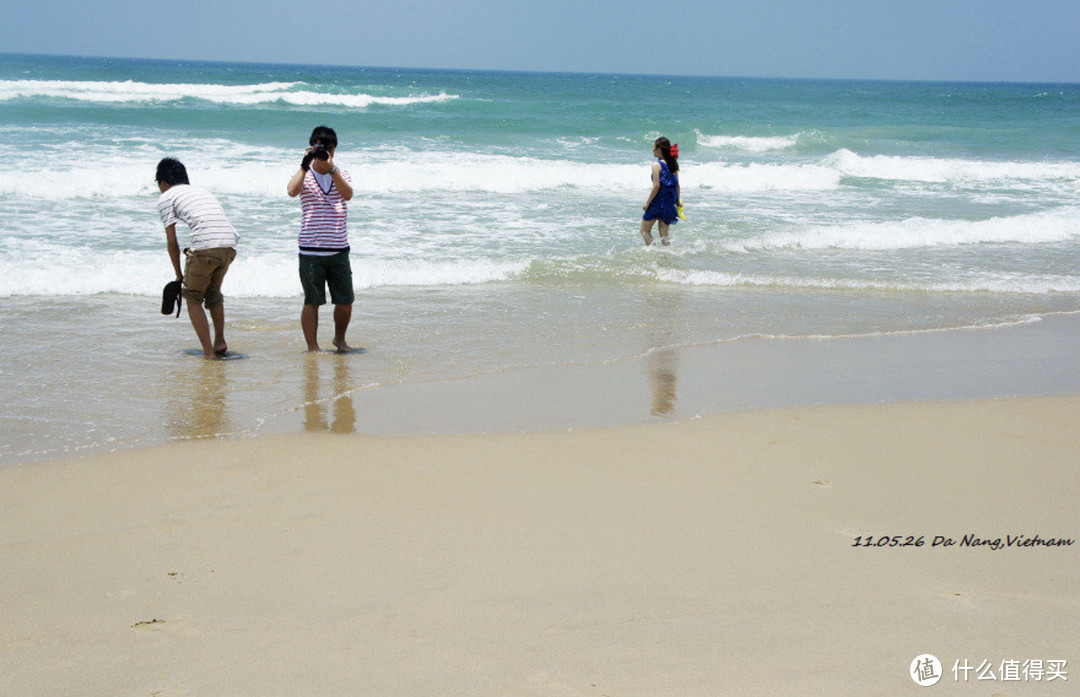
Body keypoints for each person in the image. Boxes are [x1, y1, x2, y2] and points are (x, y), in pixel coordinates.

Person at [156, 158, 239, 358]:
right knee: (213, 293)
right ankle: (219, 341)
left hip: (205, 247)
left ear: (163, 183)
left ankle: (209, 353)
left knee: (192, 297)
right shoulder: (202, 192)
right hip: (229, 245)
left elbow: (172, 243)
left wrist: (179, 275)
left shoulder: (166, 197)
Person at [287, 125, 358, 353]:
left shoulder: (340, 172)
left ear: (334, 149)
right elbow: (291, 191)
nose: (325, 152)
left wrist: (331, 168)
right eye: (320, 147)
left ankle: (340, 339)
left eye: (329, 148)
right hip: (310, 250)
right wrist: (304, 164)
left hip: (338, 248)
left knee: (345, 300)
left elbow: (347, 195)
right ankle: (312, 347)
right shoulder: (304, 174)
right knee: (312, 301)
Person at [641, 137, 681, 246]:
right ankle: (667, 257)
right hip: (669, 204)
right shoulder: (673, 164)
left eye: (654, 148)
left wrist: (647, 203)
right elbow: (677, 186)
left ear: (659, 150)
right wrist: (677, 202)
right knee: (664, 236)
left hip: (657, 203)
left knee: (644, 231)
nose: (652, 150)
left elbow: (656, 186)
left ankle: (654, 253)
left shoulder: (656, 165)